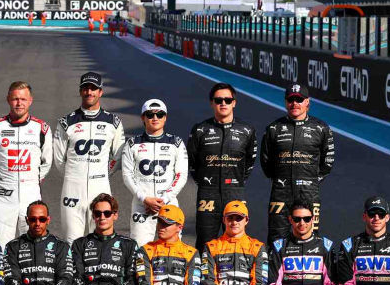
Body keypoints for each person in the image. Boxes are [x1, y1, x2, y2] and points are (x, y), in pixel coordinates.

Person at [54, 72, 125, 244]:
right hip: (73, 187)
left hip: (100, 186)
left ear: (100, 92)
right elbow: (59, 159)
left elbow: (118, 155)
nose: (89, 92)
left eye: (93, 88)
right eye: (85, 88)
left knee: (102, 240)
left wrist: (103, 173)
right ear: (80, 91)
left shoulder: (113, 122)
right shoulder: (66, 122)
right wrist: (74, 174)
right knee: (72, 242)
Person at [261, 84, 335, 244]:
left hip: (309, 192)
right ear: (285, 102)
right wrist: (280, 179)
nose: (294, 103)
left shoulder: (321, 128)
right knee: (276, 239)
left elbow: (328, 161)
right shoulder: (274, 128)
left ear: (307, 102)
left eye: (299, 100)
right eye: (291, 100)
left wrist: (312, 180)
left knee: (309, 238)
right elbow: (266, 161)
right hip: (281, 192)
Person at [187, 83, 258, 251]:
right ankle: (204, 269)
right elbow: (192, 162)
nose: (223, 103)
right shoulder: (200, 130)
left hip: (235, 192)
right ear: (212, 103)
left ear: (234, 102)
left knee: (236, 239)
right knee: (205, 241)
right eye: (218, 100)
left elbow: (249, 162)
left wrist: (237, 181)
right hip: (207, 193)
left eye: (228, 100)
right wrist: (205, 182)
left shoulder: (247, 130)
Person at [0, 81, 53, 248]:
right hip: (4, 195)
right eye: (15, 99)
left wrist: (33, 180)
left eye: (23, 99)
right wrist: (5, 179)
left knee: (33, 245)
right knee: (1, 246)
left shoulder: (41, 128)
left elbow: (47, 161)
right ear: (8, 99)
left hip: (31, 194)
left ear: (30, 101)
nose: (19, 103)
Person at [122, 99, 188, 246]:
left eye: (160, 114)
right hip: (142, 205)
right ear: (143, 117)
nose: (155, 118)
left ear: (165, 118)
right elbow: (127, 175)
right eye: (150, 114)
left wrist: (164, 199)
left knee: (171, 251)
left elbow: (181, 175)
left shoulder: (176, 143)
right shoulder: (132, 143)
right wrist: (144, 198)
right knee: (140, 250)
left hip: (168, 204)